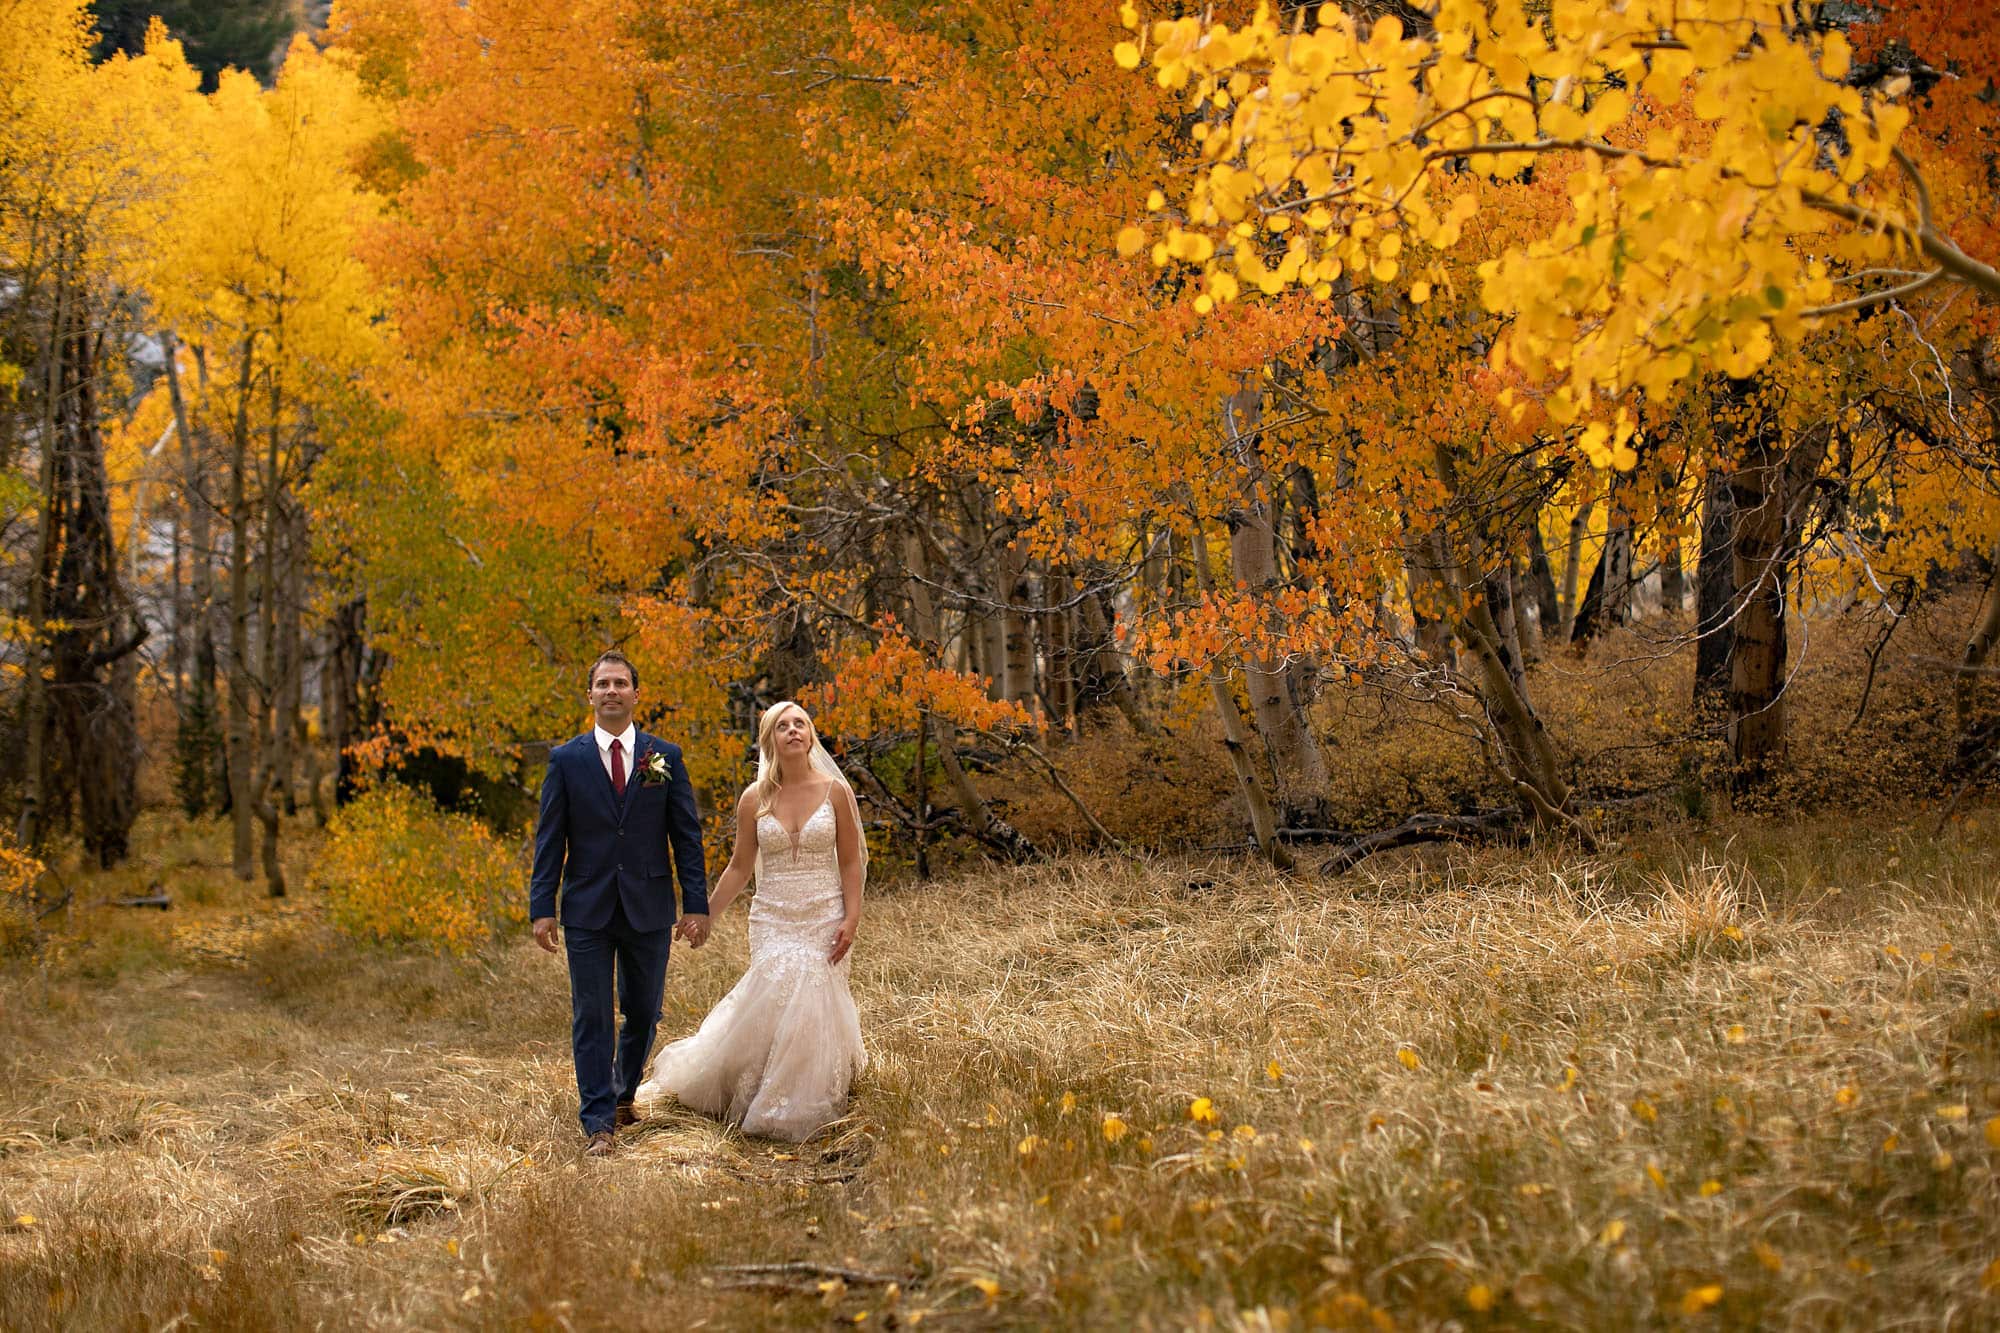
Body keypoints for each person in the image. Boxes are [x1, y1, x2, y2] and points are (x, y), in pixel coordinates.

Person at [635, 700, 866, 1140]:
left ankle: (800, 1098)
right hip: (773, 916)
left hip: (824, 912)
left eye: (801, 723)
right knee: (782, 987)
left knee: (810, 989)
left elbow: (851, 862)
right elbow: (740, 867)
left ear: (812, 736)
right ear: (770, 740)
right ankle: (750, 1084)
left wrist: (851, 918)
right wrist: (703, 915)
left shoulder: (836, 793)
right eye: (783, 726)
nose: (794, 730)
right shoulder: (753, 798)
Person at [530, 650, 710, 1158]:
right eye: (603, 684)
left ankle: (624, 1093)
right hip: (586, 906)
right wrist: (542, 906)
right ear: (590, 695)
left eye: (621, 683)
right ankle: (598, 1123)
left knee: (643, 1011)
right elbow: (550, 838)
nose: (612, 691)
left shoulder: (664, 757)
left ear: (635, 694)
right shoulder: (567, 760)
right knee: (592, 1014)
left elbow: (686, 835)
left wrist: (696, 904)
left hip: (649, 904)